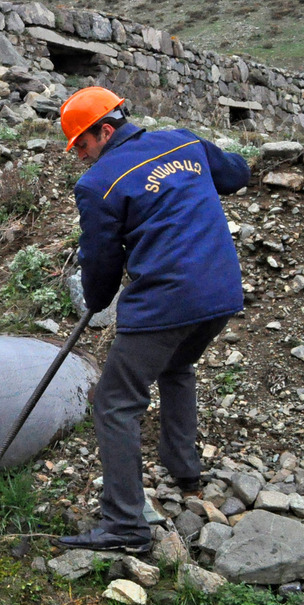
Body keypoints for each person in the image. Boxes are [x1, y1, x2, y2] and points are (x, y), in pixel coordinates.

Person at [55, 86, 250, 554]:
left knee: (114, 401)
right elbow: (236, 174)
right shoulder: (183, 141)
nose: (80, 156)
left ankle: (124, 524)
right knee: (177, 366)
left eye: (81, 144)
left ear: (106, 129)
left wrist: (97, 300)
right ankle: (184, 471)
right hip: (221, 294)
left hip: (167, 301)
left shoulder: (98, 183)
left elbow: (100, 264)